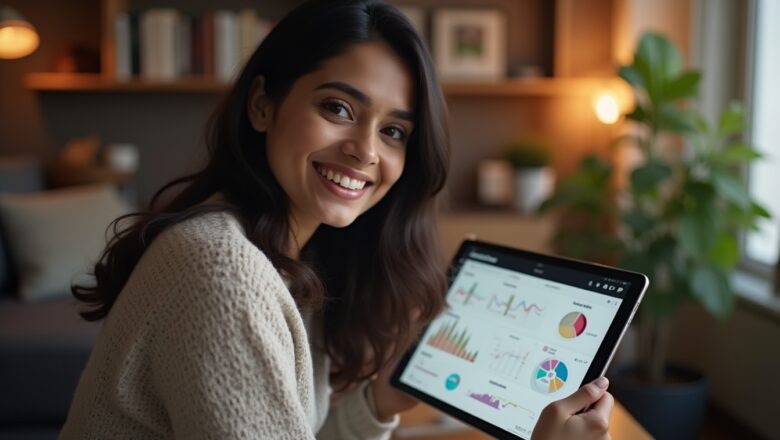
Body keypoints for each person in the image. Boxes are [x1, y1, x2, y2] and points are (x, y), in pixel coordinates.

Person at [60, 1, 613, 439]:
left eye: (394, 131)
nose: (365, 151)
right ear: (262, 105)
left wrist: (378, 403)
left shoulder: (291, 260)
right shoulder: (223, 271)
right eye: (339, 109)